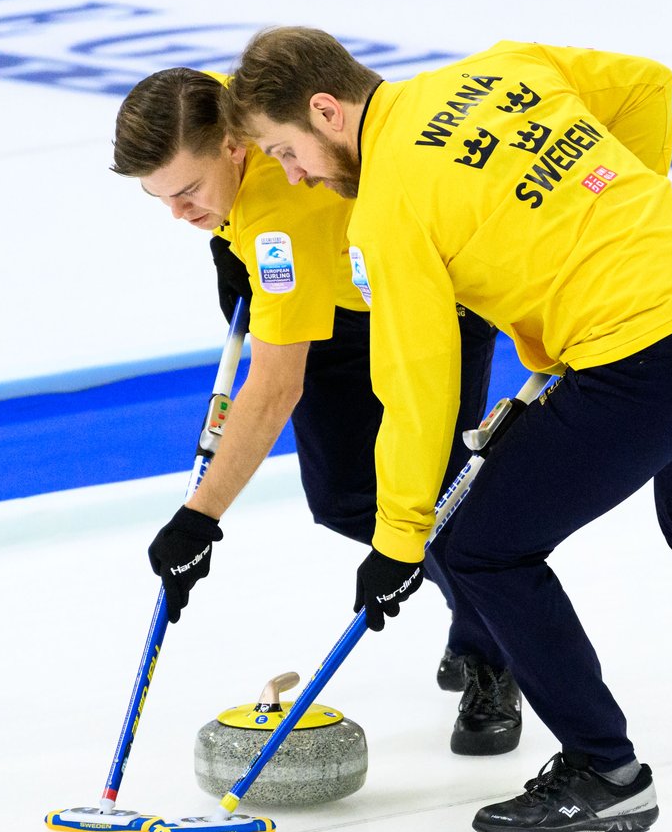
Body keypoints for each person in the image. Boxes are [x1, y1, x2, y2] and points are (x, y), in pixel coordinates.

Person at [226, 28, 672, 832]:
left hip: (651, 361)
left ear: (327, 110)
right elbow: (646, 84)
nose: (294, 174)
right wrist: (611, 227)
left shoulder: (388, 206)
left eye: (286, 151)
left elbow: (417, 387)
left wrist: (399, 543)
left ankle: (604, 770)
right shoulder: (500, 69)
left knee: (479, 549)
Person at [111, 67, 520, 754]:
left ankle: (494, 648)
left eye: (188, 193)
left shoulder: (281, 222)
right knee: (345, 499)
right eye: (160, 197)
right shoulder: (208, 100)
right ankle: (472, 598)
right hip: (337, 292)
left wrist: (199, 518)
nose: (176, 213)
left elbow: (275, 385)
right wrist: (223, 235)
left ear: (234, 149)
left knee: (436, 496)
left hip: (430, 292)